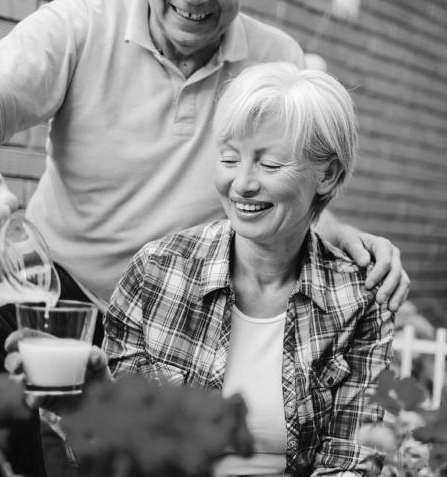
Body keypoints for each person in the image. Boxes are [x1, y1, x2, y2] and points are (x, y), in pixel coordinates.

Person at [0, 0, 408, 475]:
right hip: (61, 293)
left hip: (180, 320)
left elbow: (286, 172)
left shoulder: (276, 58)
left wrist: (332, 227)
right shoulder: (80, 27)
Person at [100, 62, 394, 475]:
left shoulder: (358, 301)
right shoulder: (158, 273)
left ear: (327, 175)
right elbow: (114, 453)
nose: (241, 184)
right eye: (229, 159)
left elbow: (351, 461)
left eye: (269, 165)